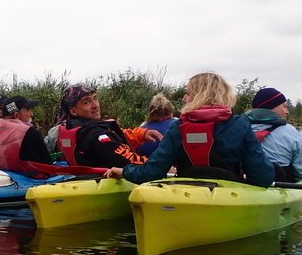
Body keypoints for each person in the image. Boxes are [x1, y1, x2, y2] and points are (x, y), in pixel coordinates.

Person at [106, 72, 274, 187]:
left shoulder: (178, 127)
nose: (184, 98)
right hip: (230, 193)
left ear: (201, 96)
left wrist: (124, 172)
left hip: (184, 192)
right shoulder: (240, 124)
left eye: (188, 94)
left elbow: (151, 172)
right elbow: (263, 177)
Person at [50, 84, 163, 168]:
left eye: (95, 98)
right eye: (86, 102)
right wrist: (161, 164)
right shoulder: (96, 134)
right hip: (103, 181)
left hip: (84, 178)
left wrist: (142, 134)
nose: (95, 105)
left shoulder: (70, 127)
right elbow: (128, 161)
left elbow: (119, 133)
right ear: (73, 111)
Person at [0, 96, 53, 176]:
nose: (31, 114)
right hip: (19, 181)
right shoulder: (30, 133)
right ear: (17, 115)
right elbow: (47, 166)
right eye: (28, 110)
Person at [246, 87, 302, 182]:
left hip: (241, 186)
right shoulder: (290, 132)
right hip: (281, 188)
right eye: (284, 106)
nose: (287, 112)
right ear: (271, 107)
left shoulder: (237, 127)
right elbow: (300, 172)